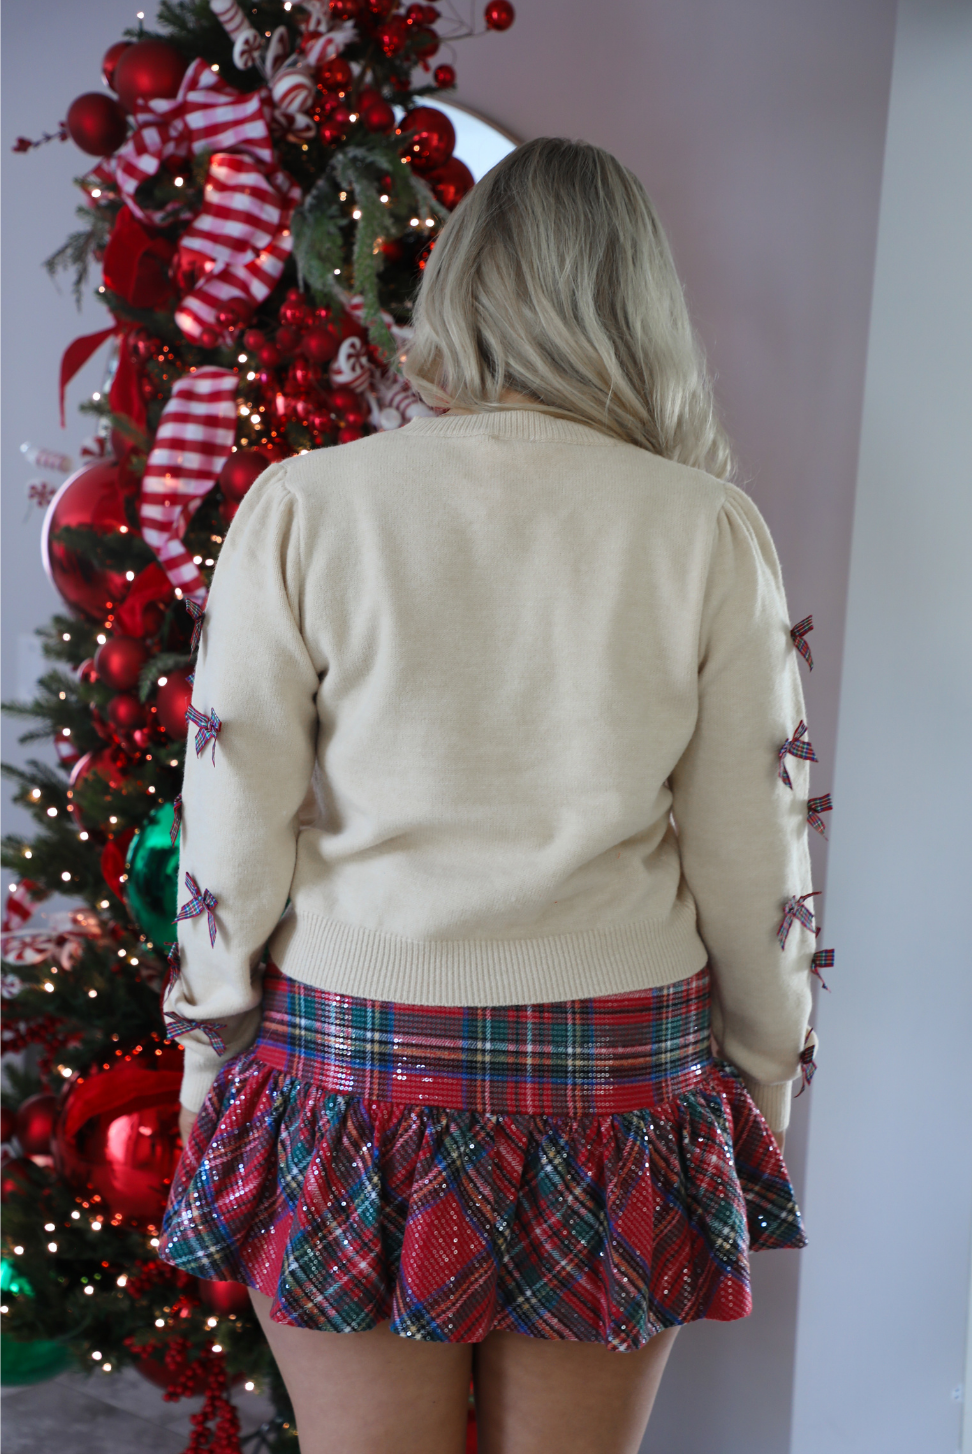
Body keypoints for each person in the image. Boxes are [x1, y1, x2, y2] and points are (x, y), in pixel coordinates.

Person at [158, 137, 817, 1454]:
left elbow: (234, 815)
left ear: (456, 287)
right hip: (619, 1082)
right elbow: (757, 852)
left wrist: (206, 1053)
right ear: (640, 306)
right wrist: (761, 1078)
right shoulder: (704, 527)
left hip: (351, 1069)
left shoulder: (307, 506)